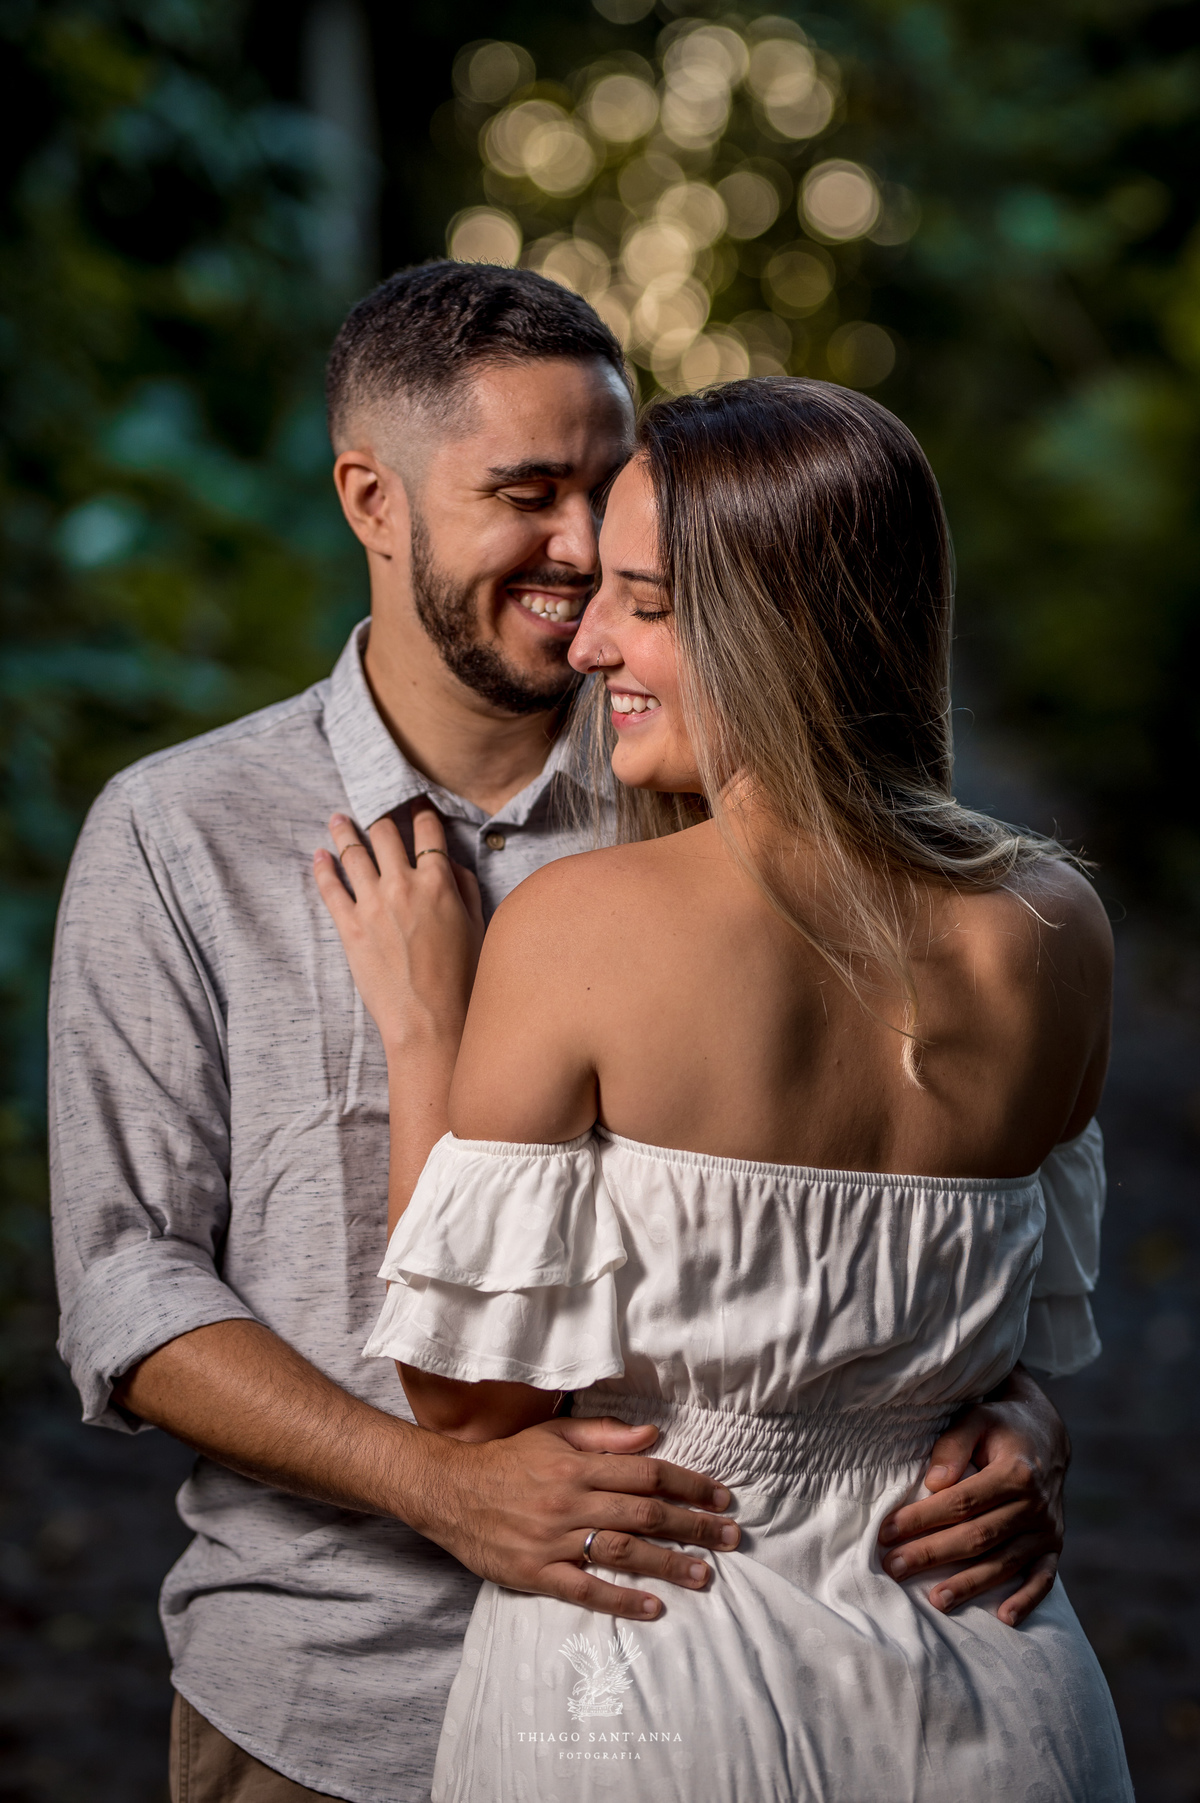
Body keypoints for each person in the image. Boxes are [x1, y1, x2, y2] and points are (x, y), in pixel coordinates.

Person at [49, 266, 1077, 1803]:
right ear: (371, 501)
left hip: (731, 1678)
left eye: (609, 493)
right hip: (340, 1692)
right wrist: (439, 1485)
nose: (584, 550)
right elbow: (127, 1279)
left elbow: (895, 1210)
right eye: (527, 495)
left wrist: (998, 1414)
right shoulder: (180, 834)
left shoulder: (726, 788)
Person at [318, 378, 1131, 1801]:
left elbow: (462, 1405)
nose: (589, 641)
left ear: (778, 627)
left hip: (656, 1677)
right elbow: (995, 1345)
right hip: (991, 1685)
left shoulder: (581, 926)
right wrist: (1025, 1429)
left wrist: (423, 1030)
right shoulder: (1058, 927)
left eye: (643, 601)